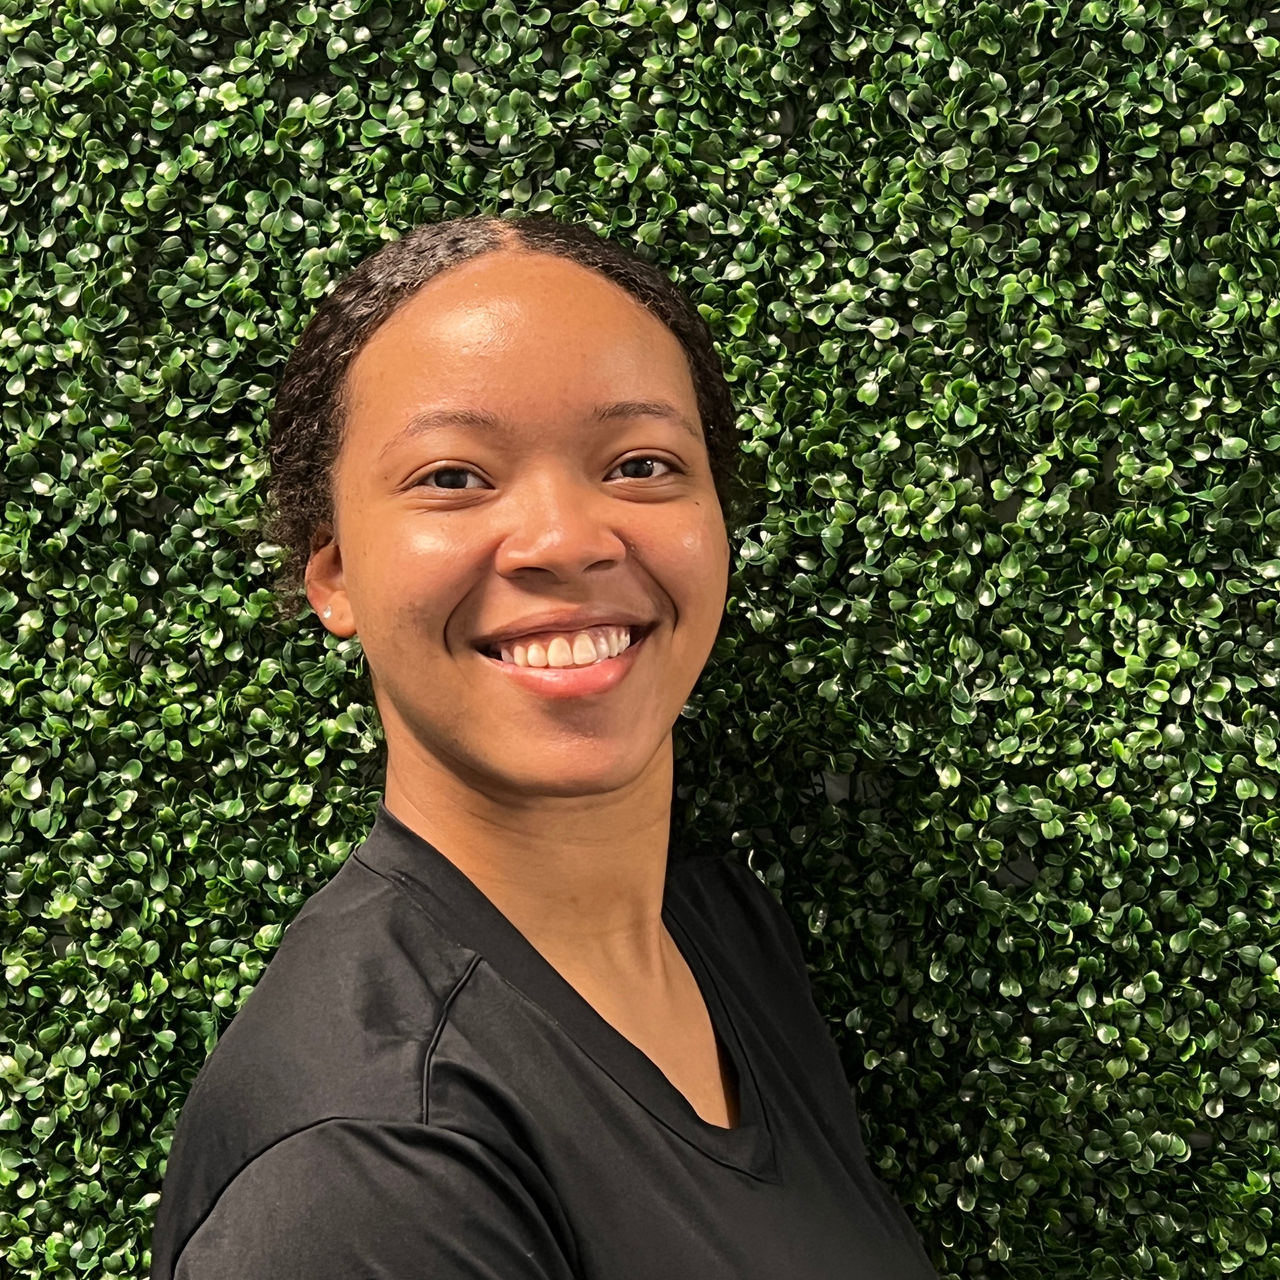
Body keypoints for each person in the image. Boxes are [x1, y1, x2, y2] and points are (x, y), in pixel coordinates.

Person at [148, 214, 938, 1279]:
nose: (566, 539)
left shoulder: (721, 930)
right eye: (451, 477)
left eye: (642, 463)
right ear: (330, 572)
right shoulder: (370, 1167)